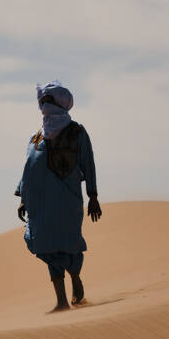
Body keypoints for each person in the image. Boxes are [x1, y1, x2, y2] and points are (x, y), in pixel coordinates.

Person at [15, 80, 102, 312]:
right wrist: (23, 197)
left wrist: (93, 195)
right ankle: (61, 301)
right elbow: (27, 168)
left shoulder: (77, 133)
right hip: (39, 202)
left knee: (69, 243)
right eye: (41, 101)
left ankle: (75, 279)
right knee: (45, 245)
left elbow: (88, 162)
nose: (43, 104)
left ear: (60, 103)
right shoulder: (36, 137)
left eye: (47, 100)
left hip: (67, 198)